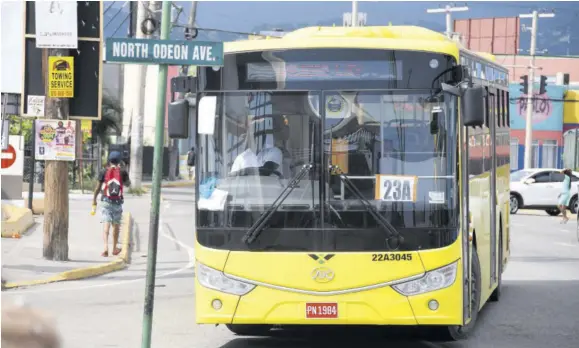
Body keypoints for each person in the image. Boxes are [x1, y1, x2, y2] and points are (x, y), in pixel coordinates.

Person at [92, 151, 130, 257]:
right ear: (119, 160)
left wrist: (94, 199)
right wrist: (123, 171)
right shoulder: (122, 171)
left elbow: (98, 187)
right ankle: (114, 248)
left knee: (106, 224)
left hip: (105, 201)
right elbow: (128, 184)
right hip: (117, 202)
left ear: (109, 160)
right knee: (116, 225)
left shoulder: (104, 171)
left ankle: (105, 247)